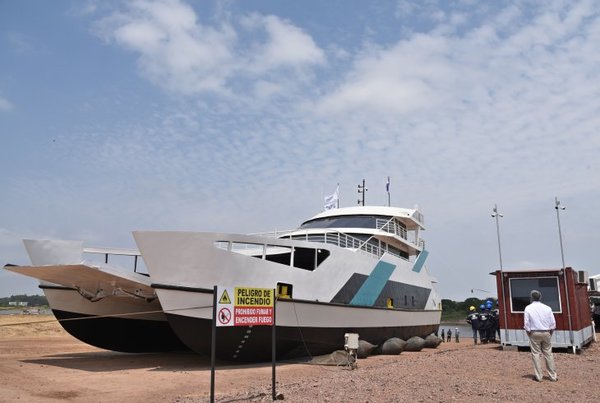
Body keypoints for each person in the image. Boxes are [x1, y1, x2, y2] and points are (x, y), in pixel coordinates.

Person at [524, 290, 557, 382]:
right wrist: (550, 333)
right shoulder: (547, 308)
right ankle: (553, 376)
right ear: (540, 297)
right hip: (546, 332)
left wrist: (528, 333)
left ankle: (539, 376)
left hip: (534, 332)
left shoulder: (528, 308)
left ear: (531, 298)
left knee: (536, 354)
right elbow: (553, 323)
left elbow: (526, 323)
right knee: (548, 354)